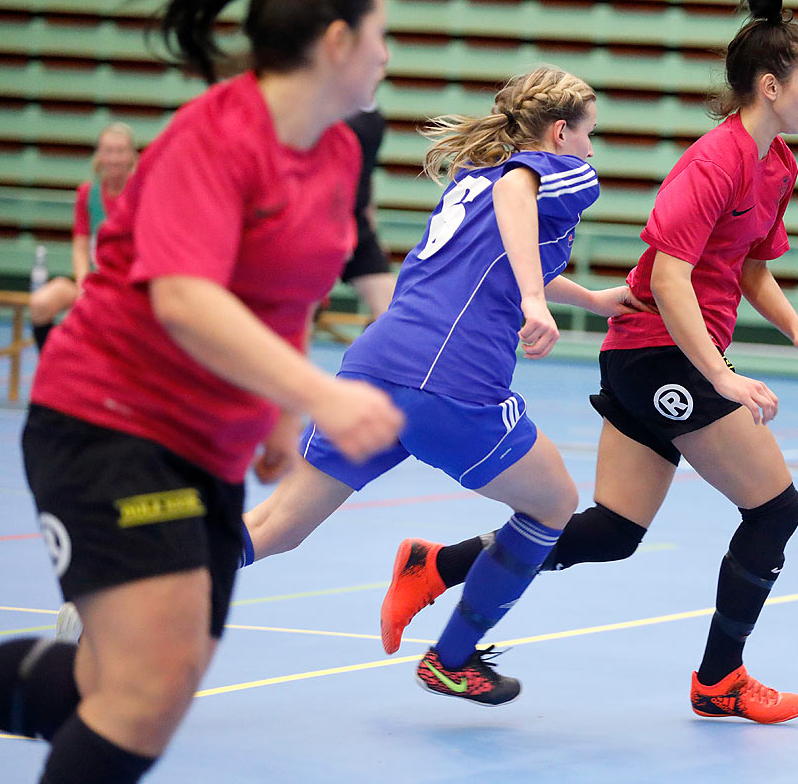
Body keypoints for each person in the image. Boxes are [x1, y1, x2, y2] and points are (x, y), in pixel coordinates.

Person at [0, 0, 405, 784]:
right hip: (107, 423)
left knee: (138, 690)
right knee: (146, 688)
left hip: (206, 446)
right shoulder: (216, 134)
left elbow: (284, 295)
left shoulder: (333, 153)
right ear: (337, 41)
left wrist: (280, 414)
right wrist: (322, 398)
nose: (386, 55)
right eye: (380, 35)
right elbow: (183, 297)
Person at [379, 0, 798, 725]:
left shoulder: (776, 165)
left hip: (655, 358)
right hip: (659, 356)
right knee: (774, 509)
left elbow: (753, 262)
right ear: (770, 85)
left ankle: (436, 565)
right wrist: (720, 373)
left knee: (614, 532)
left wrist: (797, 331)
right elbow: (668, 272)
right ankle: (720, 680)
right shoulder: (714, 160)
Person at [237, 66, 651, 704]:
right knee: (552, 506)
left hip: (375, 364)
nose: (592, 148)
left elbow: (503, 253)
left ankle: (146, 571)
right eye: (590, 132)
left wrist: (590, 299)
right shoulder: (549, 168)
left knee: (278, 526)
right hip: (451, 381)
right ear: (561, 131)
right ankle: (452, 658)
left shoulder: (470, 180)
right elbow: (520, 198)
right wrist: (536, 302)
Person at [28, 123, 138, 351]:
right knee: (40, 303)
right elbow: (80, 247)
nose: (114, 158)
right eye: (108, 151)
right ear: (99, 155)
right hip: (91, 279)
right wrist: (82, 282)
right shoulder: (87, 194)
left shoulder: (141, 193)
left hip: (127, 283)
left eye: (120, 151)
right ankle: (53, 365)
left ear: (131, 155)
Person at [339, 106, 397, 317]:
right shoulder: (329, 114)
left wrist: (372, 230)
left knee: (390, 309)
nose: (380, 74)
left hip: (357, 227)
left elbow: (366, 178)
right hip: (319, 225)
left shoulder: (374, 119)